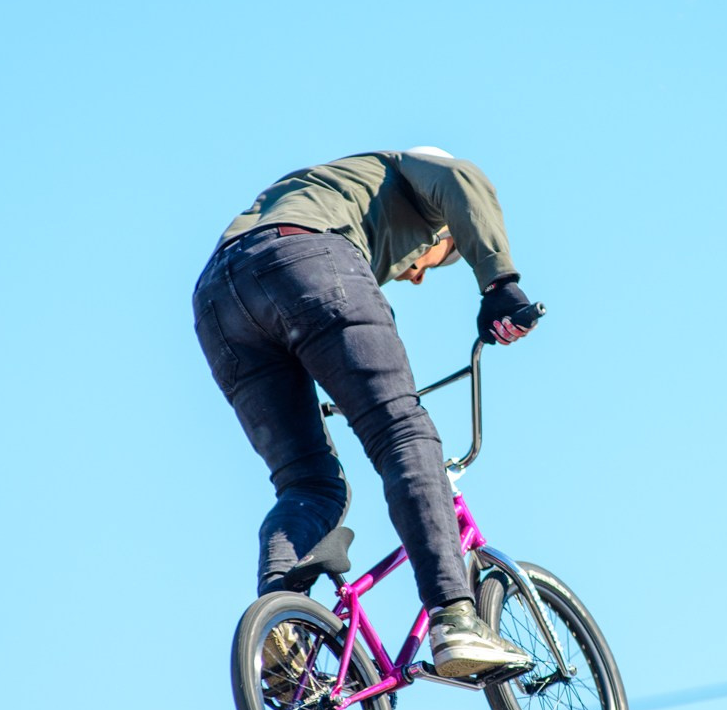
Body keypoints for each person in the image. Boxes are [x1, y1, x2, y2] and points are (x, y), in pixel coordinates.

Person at [192, 147, 539, 679]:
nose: (418, 274)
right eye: (441, 252)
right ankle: (456, 616)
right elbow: (461, 178)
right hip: (306, 258)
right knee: (403, 434)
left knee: (309, 486)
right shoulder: (409, 171)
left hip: (218, 302)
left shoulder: (324, 188)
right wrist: (498, 281)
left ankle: (281, 629)